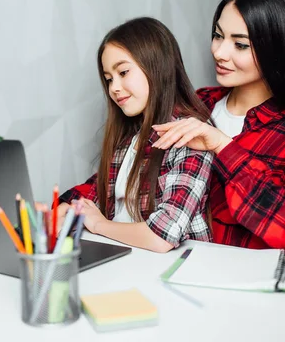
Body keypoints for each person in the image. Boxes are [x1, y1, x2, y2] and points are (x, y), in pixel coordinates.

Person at [152, 0, 285, 258]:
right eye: (218, 35)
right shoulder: (195, 105)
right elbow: (131, 166)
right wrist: (76, 202)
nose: (219, 52)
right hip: (165, 277)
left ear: (278, 50)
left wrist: (223, 147)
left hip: (245, 295)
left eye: (240, 44)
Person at [57, 17, 214, 253]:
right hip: (128, 263)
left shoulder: (189, 135)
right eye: (109, 79)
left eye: (123, 72)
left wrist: (100, 224)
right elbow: (91, 194)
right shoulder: (130, 139)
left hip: (177, 272)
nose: (114, 88)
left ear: (156, 67)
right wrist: (63, 207)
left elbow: (162, 236)